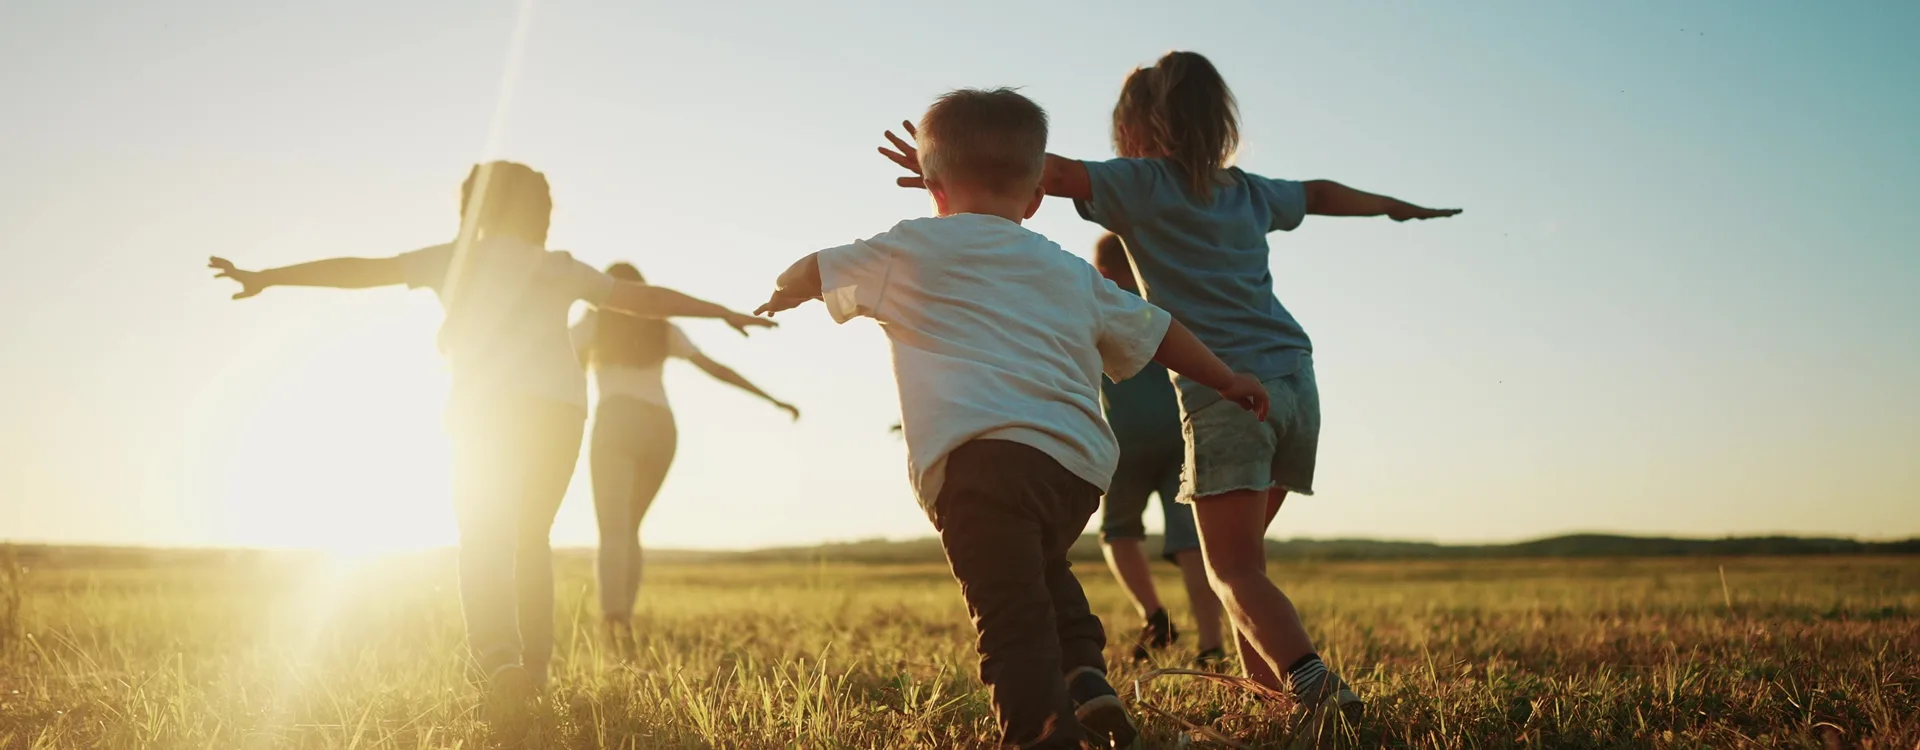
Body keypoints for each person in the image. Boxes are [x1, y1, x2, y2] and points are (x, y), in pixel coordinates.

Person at [879, 51, 1460, 732]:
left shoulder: (1142, 183)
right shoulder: (1246, 189)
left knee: (1233, 570)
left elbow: (1044, 171)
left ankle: (1312, 683)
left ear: (1135, 127)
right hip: (1295, 382)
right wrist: (1394, 207)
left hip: (1226, 390)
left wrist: (944, 166)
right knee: (1245, 565)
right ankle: (1264, 701)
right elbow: (1323, 192)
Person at [760, 88, 1268, 750]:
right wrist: (1226, 378)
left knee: (1009, 617)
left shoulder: (906, 249)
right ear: (1033, 199)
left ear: (933, 189)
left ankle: (1039, 731)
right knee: (1038, 571)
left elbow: (813, 269)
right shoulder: (1067, 269)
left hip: (978, 463)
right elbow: (1160, 330)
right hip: (1075, 470)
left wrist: (784, 291)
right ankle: (1087, 676)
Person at [207, 161, 773, 717]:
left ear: (475, 207)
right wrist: (719, 311)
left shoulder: (454, 260)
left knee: (483, 536)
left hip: (486, 410)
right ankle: (535, 672)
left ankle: (501, 665)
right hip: (560, 412)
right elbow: (643, 301)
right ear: (542, 215)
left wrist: (268, 276)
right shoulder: (560, 267)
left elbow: (359, 270)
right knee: (532, 539)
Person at [572, 261, 799, 651]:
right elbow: (716, 369)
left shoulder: (592, 324)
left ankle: (614, 623)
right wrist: (773, 399)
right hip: (660, 429)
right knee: (629, 529)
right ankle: (621, 621)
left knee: (613, 530)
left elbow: (558, 365)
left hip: (616, 421)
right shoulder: (662, 327)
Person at [1089, 233, 1226, 668]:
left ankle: (1155, 616)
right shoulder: (1167, 299)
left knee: (1118, 532)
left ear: (1104, 270)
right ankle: (1211, 644)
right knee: (1191, 542)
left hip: (1125, 439)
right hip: (1182, 434)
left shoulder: (1098, 303)